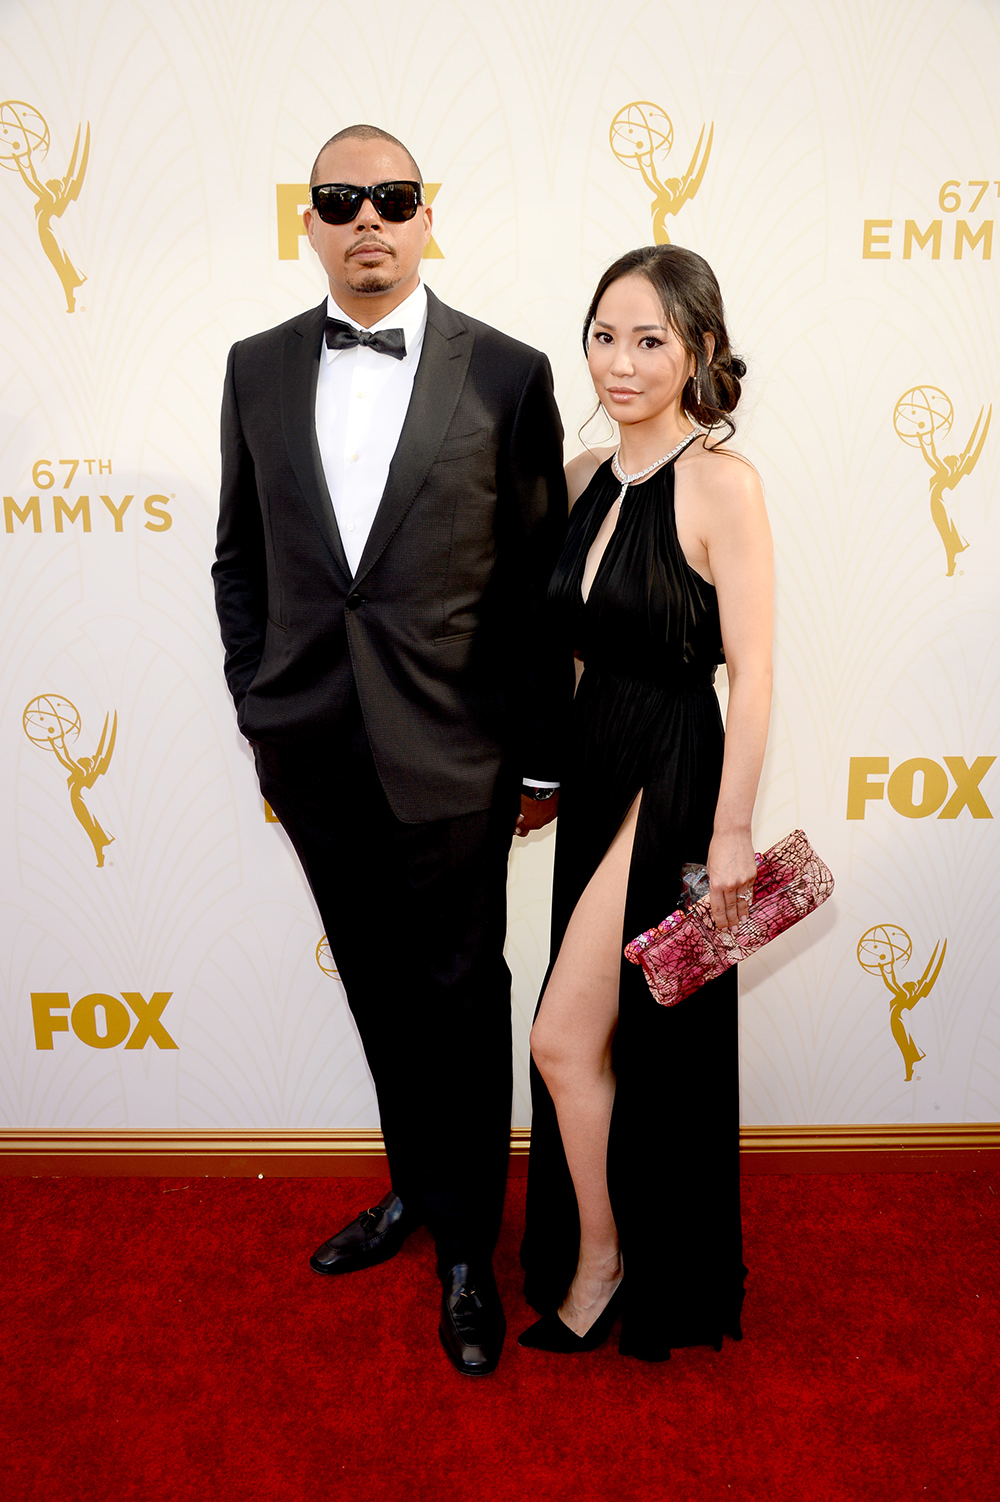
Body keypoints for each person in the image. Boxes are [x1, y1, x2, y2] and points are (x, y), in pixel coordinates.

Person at [213, 124, 568, 1376]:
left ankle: (468, 1244)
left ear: (429, 217)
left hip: (455, 752)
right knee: (374, 986)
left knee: (463, 1000)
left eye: (394, 197)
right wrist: (260, 709)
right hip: (312, 746)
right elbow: (238, 560)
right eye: (340, 199)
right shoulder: (254, 368)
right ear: (307, 222)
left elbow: (535, 587)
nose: (368, 217)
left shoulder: (510, 375)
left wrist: (537, 757)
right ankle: (416, 1189)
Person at [518, 245, 773, 1361]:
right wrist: (541, 774)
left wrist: (728, 830)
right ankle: (616, 1245)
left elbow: (753, 671)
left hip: (670, 771)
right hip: (594, 768)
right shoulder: (581, 478)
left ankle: (608, 1258)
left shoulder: (725, 483)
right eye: (604, 335)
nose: (619, 362)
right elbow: (564, 653)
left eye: (650, 339)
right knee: (599, 1044)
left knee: (564, 1038)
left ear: (698, 351)